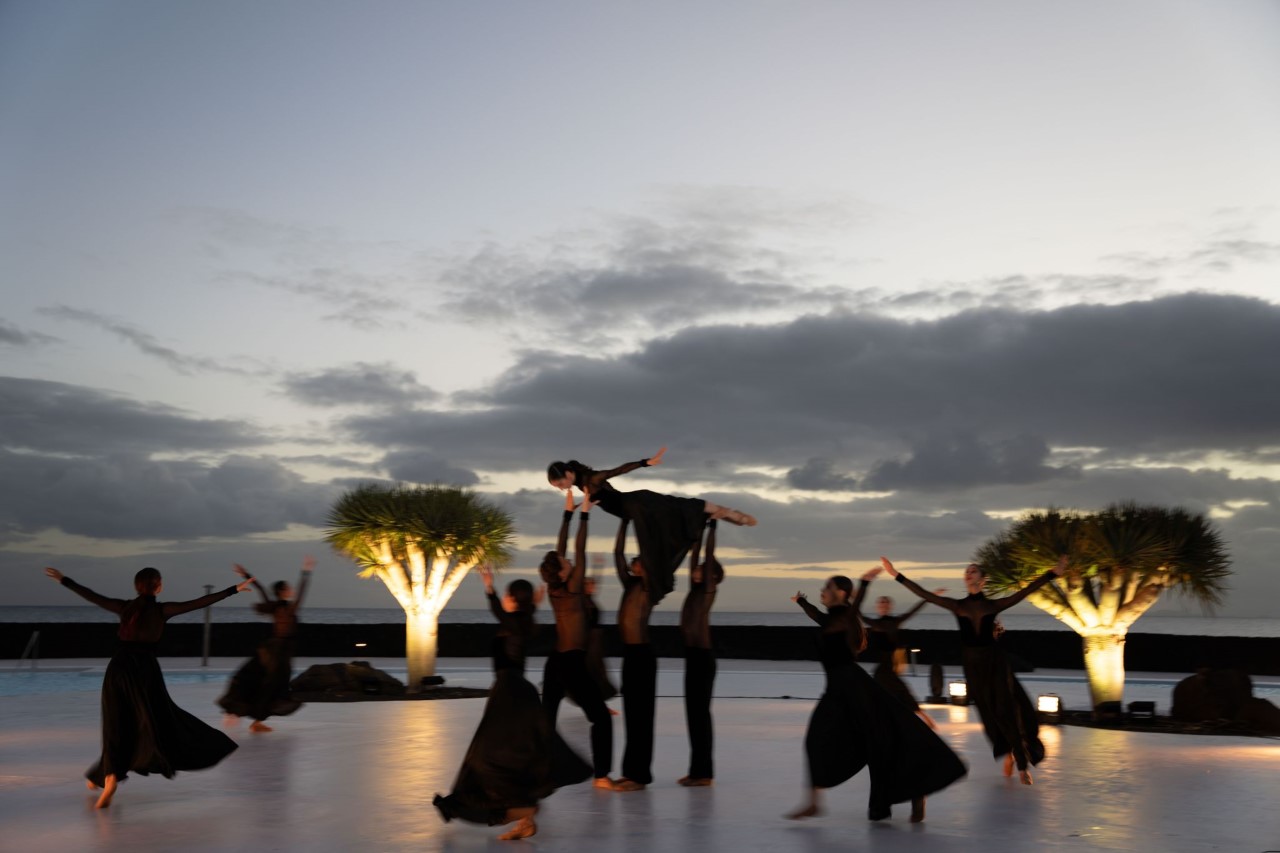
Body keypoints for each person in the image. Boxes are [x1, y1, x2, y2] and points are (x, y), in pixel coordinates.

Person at [42, 565, 252, 809]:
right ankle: (107, 775)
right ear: (159, 586)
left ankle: (105, 776)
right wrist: (234, 589)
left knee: (116, 723)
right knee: (153, 720)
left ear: (136, 587)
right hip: (144, 671)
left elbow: (92, 596)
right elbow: (198, 603)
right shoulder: (163, 610)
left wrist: (64, 580)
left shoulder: (124, 607)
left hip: (118, 667)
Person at [786, 576, 966, 823]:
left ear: (840, 593)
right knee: (820, 740)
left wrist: (864, 585)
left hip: (854, 688)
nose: (822, 591)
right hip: (837, 690)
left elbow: (845, 610)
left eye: (827, 588)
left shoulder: (845, 618)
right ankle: (814, 803)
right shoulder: (832, 619)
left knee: (880, 744)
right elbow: (816, 614)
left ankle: (916, 792)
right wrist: (801, 601)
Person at [880, 554, 1069, 784]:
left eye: (973, 571)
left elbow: (1025, 592)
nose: (968, 574)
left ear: (983, 579)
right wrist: (896, 575)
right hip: (972, 666)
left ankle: (1022, 764)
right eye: (966, 571)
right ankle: (1008, 752)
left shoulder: (992, 605)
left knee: (1006, 709)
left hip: (995, 663)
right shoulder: (957, 606)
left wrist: (1052, 573)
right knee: (989, 714)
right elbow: (925, 595)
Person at [434, 565, 591, 841]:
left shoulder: (514, 622)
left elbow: (499, 612)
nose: (504, 599)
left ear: (514, 599)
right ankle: (525, 820)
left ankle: (523, 811)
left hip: (510, 693)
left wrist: (489, 588)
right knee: (510, 756)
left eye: (508, 595)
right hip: (514, 692)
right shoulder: (522, 622)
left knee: (489, 758)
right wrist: (531, 605)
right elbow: (514, 617)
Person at [546, 448, 755, 602]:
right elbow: (603, 498)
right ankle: (724, 513)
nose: (561, 489)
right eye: (558, 487)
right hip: (633, 509)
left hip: (636, 506)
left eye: (560, 484)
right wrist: (580, 505)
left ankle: (729, 513)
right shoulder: (583, 483)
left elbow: (616, 471)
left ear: (568, 474)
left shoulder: (590, 479)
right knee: (677, 507)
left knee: (676, 511)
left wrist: (645, 462)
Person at [540, 489, 616, 789]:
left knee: (547, 721)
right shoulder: (572, 589)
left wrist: (567, 514)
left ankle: (540, 768)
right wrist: (584, 514)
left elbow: (562, 550)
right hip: (571, 662)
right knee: (601, 718)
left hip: (555, 662)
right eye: (564, 561)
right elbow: (579, 549)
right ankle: (601, 775)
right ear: (562, 570)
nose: (568, 558)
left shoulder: (554, 587)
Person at [217, 556, 314, 732]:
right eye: (288, 588)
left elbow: (260, 587)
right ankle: (247, 717)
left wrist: (245, 574)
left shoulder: (274, 606)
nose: (291, 590)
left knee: (257, 680)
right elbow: (302, 592)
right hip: (279, 653)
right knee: (271, 687)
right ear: (283, 591)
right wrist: (306, 572)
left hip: (270, 649)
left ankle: (248, 718)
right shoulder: (288, 608)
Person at [854, 566, 945, 727]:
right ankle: (920, 718)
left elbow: (914, 610)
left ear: (890, 606)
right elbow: (857, 613)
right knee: (895, 692)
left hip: (893, 664)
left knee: (899, 692)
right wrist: (855, 595)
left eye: (885, 602)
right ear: (877, 607)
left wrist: (930, 597)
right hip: (883, 668)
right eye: (880, 602)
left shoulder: (895, 621)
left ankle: (921, 718)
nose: (883, 604)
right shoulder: (873, 623)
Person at [611, 516, 656, 791]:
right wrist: (624, 522)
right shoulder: (629, 585)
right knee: (631, 715)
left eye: (639, 562)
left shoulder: (650, 587)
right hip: (630, 654)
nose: (633, 564)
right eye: (633, 562)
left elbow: (650, 557)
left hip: (643, 655)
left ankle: (639, 776)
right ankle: (631, 772)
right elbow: (617, 554)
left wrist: (641, 526)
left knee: (642, 716)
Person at [679, 518, 721, 787]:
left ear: (712, 577)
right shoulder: (694, 589)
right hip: (692, 657)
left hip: (702, 659)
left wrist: (712, 530)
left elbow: (706, 557)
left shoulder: (708, 589)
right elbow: (695, 560)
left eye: (703, 571)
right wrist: (697, 532)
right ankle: (698, 771)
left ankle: (704, 773)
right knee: (693, 717)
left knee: (700, 717)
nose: (697, 572)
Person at [581, 575, 620, 709]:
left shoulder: (589, 600)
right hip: (590, 642)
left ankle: (598, 703)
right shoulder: (583, 602)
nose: (593, 587)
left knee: (598, 672)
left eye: (593, 585)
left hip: (596, 642)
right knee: (593, 671)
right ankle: (594, 703)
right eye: (589, 585)